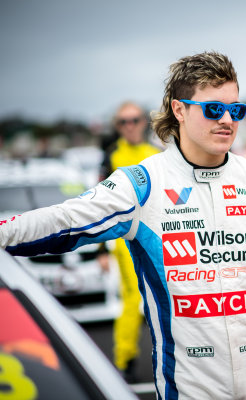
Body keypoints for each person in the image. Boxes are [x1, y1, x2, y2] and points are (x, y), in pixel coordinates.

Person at [0, 51, 246, 399]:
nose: (227, 120)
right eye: (213, 108)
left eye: (236, 110)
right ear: (179, 110)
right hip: (190, 387)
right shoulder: (144, 183)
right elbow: (63, 220)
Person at [98, 101, 161, 381]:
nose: (130, 126)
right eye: (124, 122)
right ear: (118, 126)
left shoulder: (156, 154)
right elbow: (98, 204)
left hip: (159, 237)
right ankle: (125, 360)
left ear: (143, 123)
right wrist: (101, 248)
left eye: (135, 120)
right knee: (132, 299)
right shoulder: (111, 156)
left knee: (170, 295)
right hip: (123, 241)